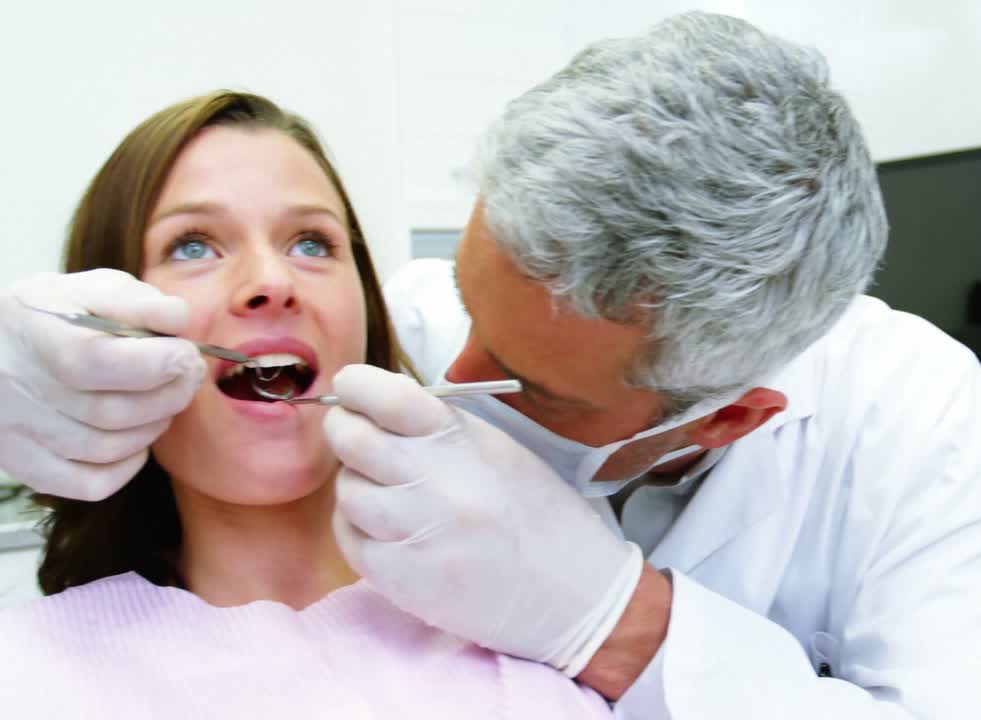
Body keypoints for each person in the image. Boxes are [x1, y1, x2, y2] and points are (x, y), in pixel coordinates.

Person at [0, 13, 981, 719]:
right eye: (194, 244)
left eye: (314, 241)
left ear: (718, 421)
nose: (443, 371)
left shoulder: (904, 412)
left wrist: (615, 621)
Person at [0, 91, 609, 719]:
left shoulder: (534, 651)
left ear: (367, 320)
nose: (271, 282)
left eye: (312, 243)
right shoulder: (25, 678)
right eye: (192, 245)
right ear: (96, 347)